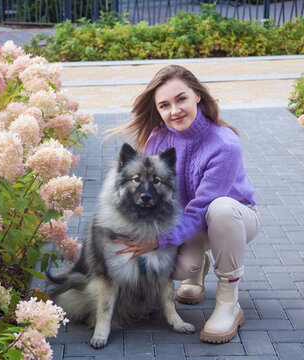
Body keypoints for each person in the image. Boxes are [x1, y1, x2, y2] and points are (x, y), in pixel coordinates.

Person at [110, 65, 261, 343]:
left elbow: (201, 208)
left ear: (197, 97)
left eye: (181, 99)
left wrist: (158, 240)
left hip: (234, 219)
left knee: (221, 208)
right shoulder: (158, 137)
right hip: (187, 223)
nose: (174, 111)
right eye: (164, 105)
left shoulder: (224, 144)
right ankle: (197, 269)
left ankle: (229, 301)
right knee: (179, 268)